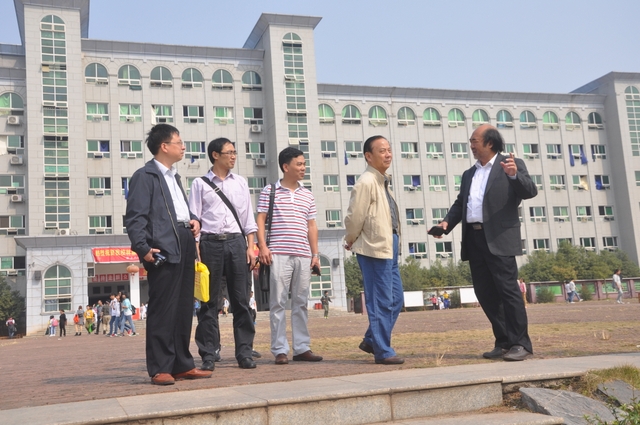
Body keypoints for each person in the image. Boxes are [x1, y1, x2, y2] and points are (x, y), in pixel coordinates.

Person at [431, 124, 537, 362]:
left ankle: (521, 343)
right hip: (475, 238)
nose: (471, 146)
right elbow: (462, 203)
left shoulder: (511, 164)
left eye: (474, 141)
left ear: (489, 143)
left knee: (508, 292)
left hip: (500, 238)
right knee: (486, 294)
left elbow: (530, 191)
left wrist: (514, 175)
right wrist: (447, 223)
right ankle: (504, 342)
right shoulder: (469, 173)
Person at [125, 123, 212, 385]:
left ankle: (182, 364)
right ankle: (160, 367)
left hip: (184, 241)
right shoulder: (145, 176)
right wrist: (143, 248)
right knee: (163, 309)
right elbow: (135, 217)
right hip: (162, 248)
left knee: (184, 307)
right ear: (164, 146)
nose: (183, 147)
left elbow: (177, 211)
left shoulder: (174, 176)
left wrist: (194, 219)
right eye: (179, 142)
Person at [188, 137, 258, 371]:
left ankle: (244, 353)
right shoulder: (200, 184)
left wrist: (251, 247)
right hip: (210, 244)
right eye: (229, 152)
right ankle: (208, 354)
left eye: (235, 152)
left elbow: (247, 218)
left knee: (241, 301)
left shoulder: (240, 183)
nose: (234, 156)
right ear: (215, 155)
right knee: (208, 303)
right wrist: (197, 251)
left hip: (237, 243)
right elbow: (194, 219)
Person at [257, 147, 323, 365]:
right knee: (277, 302)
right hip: (278, 253)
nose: (303, 168)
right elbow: (260, 220)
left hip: (303, 254)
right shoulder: (270, 191)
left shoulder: (307, 194)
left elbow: (311, 226)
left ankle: (302, 348)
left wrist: (315, 254)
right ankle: (279, 350)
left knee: (301, 302)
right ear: (286, 167)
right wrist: (263, 247)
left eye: (304, 164)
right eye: (299, 164)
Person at [344, 135, 405, 365]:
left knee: (396, 299)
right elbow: (354, 217)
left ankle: (371, 339)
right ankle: (383, 351)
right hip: (373, 248)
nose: (388, 154)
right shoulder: (366, 182)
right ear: (368, 156)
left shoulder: (382, 181)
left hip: (389, 246)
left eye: (389, 150)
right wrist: (350, 239)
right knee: (380, 300)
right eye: (382, 151)